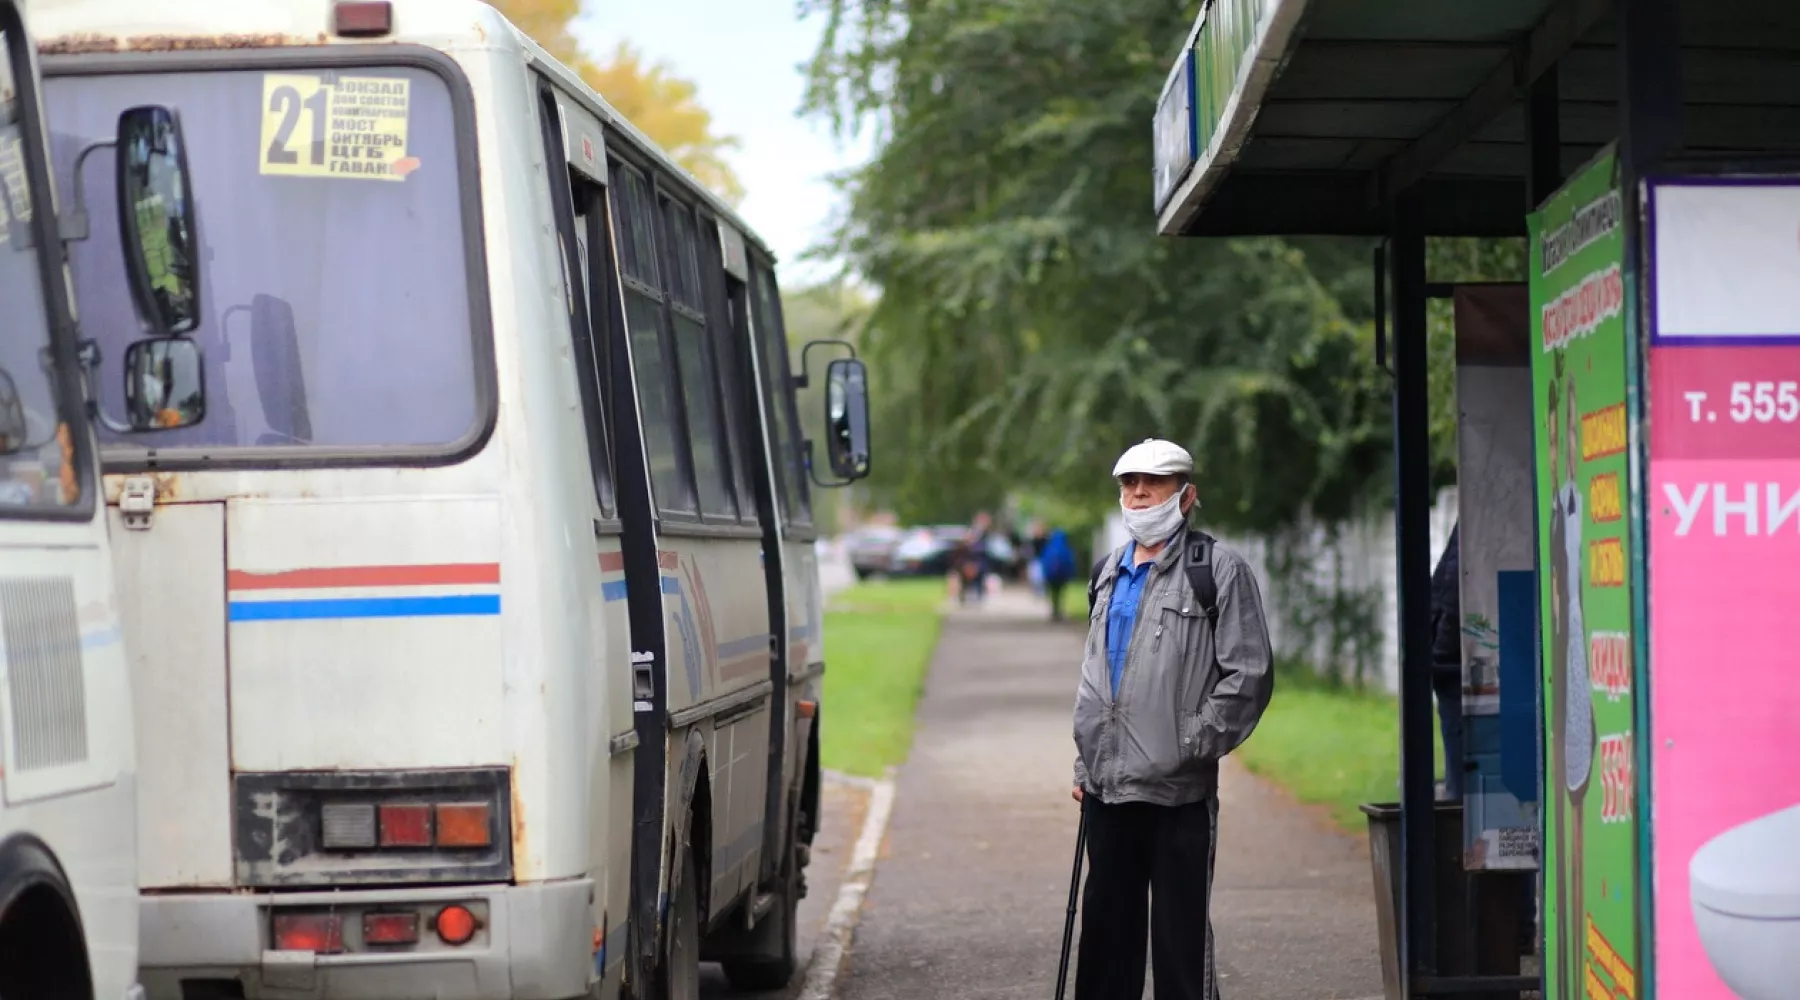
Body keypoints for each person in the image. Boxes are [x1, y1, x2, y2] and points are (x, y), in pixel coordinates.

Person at [1071, 438, 1275, 1000]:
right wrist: (1084, 761)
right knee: (1107, 943)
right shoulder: (1107, 573)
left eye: (1153, 484)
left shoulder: (1219, 571)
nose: (1139, 495)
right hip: (1107, 791)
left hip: (1179, 795)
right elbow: (1097, 676)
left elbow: (1249, 677)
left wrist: (1189, 741)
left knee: (1179, 947)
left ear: (1186, 496)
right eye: (1129, 485)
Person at [1429, 521, 1464, 801]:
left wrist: (1438, 653)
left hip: (1452, 664)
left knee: (1462, 788)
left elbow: (1449, 589)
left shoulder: (1475, 516)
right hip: (1452, 662)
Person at [1039, 526, 1077, 621]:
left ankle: (1054, 610)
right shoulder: (1066, 548)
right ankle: (1059, 610)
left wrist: (1045, 574)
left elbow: (1044, 561)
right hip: (1062, 576)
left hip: (1051, 577)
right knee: (1061, 593)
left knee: (1053, 593)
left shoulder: (1050, 547)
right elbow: (1070, 562)